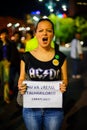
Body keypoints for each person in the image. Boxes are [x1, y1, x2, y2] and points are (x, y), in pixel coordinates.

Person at [18, 18, 68, 130]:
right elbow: (21, 78)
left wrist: (64, 84)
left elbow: (65, 78)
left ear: (53, 34)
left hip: (54, 110)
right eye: (40, 30)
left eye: (49, 30)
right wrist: (21, 85)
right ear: (35, 34)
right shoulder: (26, 57)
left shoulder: (60, 57)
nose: (45, 33)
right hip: (31, 109)